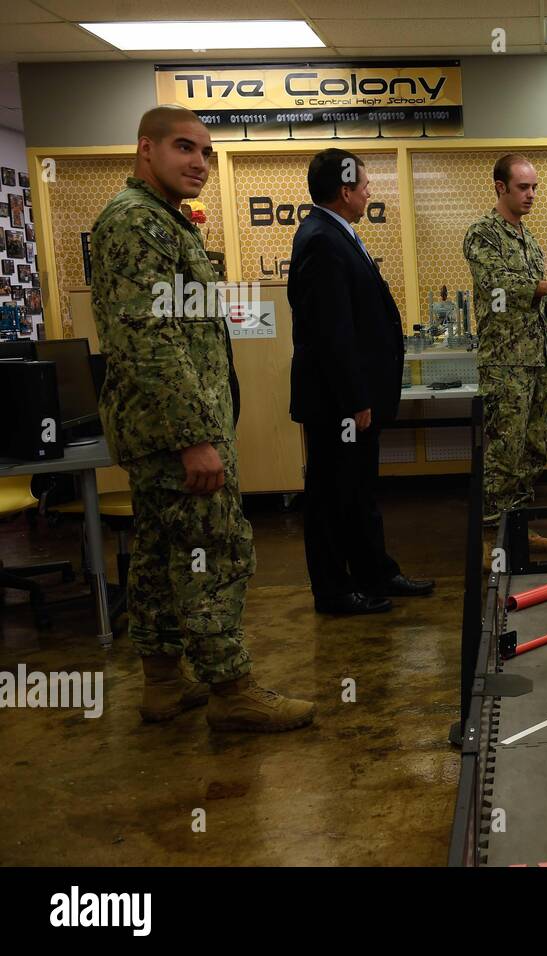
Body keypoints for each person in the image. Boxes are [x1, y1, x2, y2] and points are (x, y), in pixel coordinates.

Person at [91, 105, 314, 732]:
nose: (199, 164)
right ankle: (232, 689)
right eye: (185, 148)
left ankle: (163, 681)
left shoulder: (165, 223)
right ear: (146, 149)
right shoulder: (138, 224)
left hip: (166, 427)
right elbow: (147, 342)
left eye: (206, 153)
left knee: (164, 553)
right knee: (215, 550)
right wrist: (194, 438)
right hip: (175, 433)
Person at [288, 148, 433, 615]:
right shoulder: (321, 239)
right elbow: (331, 330)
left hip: (354, 398)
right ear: (346, 190)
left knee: (359, 491)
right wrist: (354, 398)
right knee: (332, 497)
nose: (371, 192)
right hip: (337, 403)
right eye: (366, 185)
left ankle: (375, 573)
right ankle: (333, 592)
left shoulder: (339, 234)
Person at [463, 153, 547, 552]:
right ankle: (488, 541)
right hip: (504, 364)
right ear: (501, 188)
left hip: (535, 360)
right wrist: (546, 287)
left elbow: (533, 307)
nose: (531, 195)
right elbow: (496, 283)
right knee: (502, 452)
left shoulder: (529, 240)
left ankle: (518, 531)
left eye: (535, 188)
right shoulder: (483, 234)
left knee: (531, 451)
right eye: (523, 187)